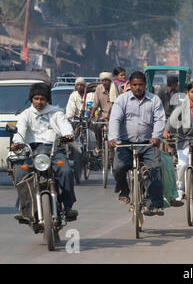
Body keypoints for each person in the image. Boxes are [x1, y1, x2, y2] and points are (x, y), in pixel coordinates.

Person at [12, 83, 78, 221]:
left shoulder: (56, 113)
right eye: (36, 99)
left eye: (42, 99)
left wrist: (68, 135)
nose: (39, 102)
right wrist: (17, 142)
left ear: (47, 99)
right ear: (32, 99)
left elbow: (65, 126)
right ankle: (24, 208)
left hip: (54, 152)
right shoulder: (26, 114)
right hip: (33, 152)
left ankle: (68, 206)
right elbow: (20, 131)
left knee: (66, 171)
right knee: (21, 175)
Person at [108, 71, 166, 216]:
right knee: (118, 167)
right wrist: (113, 138)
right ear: (130, 85)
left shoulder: (154, 100)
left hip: (148, 144)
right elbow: (115, 119)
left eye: (140, 85)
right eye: (134, 85)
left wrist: (156, 136)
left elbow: (159, 120)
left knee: (155, 169)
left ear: (145, 85)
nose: (137, 87)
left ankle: (156, 204)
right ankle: (124, 189)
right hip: (126, 144)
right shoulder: (122, 100)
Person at [90, 71, 119, 156]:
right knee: (97, 127)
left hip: (115, 116)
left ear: (110, 81)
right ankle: (98, 146)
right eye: (103, 80)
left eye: (107, 80)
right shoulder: (99, 88)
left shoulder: (116, 88)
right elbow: (95, 103)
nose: (105, 82)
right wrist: (91, 115)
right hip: (102, 115)